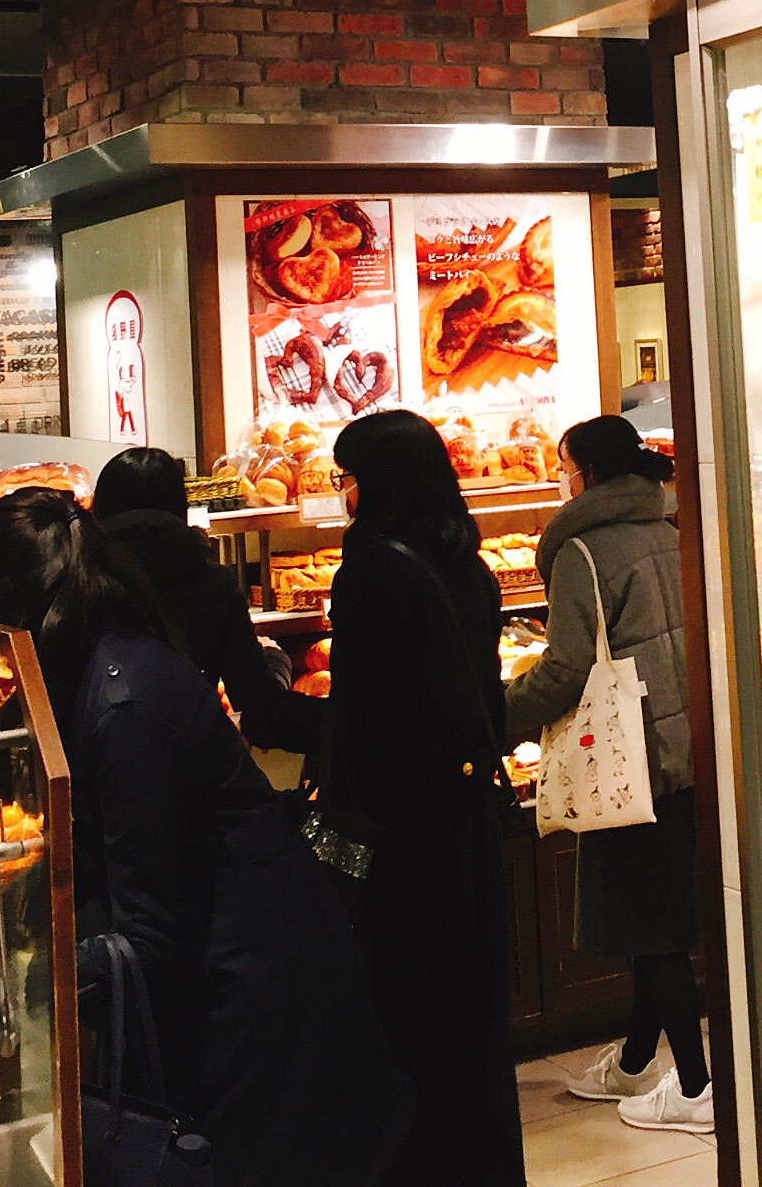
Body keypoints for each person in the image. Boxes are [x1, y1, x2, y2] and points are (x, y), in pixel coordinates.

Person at [0, 488, 407, 1187]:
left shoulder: (120, 704)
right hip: (247, 970)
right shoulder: (104, 664)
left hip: (256, 993)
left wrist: (33, 983)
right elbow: (101, 856)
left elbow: (151, 924)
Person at [318, 409, 527, 1187]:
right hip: (466, 820)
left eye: (348, 478)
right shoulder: (467, 567)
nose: (344, 494)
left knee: (405, 1022)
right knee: (471, 1022)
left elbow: (367, 722)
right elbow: (489, 705)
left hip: (401, 837)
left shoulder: (370, 573)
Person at [503, 415, 711, 1132]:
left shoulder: (579, 552)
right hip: (686, 750)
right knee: (653, 915)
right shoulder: (668, 528)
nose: (561, 478)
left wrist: (497, 713)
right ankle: (633, 1064)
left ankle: (694, 1087)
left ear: (584, 474)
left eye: (563, 466)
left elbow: (563, 670)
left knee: (652, 933)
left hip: (627, 761)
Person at [91, 445, 318, 755]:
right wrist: (277, 661)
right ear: (179, 505)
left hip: (99, 767)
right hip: (189, 760)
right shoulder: (211, 582)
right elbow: (262, 711)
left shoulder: (81, 581)